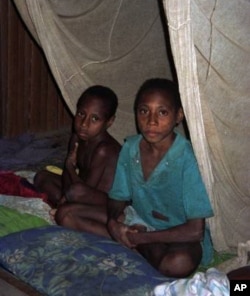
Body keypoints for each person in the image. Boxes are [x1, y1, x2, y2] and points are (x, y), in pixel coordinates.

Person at [106, 78, 214, 278]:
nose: (151, 121)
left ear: (178, 116)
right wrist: (113, 223)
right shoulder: (131, 148)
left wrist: (143, 238)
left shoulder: (186, 157)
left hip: (177, 235)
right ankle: (133, 240)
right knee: (69, 214)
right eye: (144, 111)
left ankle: (136, 244)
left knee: (177, 263)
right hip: (139, 220)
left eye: (162, 112)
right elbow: (117, 198)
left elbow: (195, 231)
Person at [34, 85, 121, 213]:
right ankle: (64, 205)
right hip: (79, 190)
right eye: (81, 114)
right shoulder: (77, 137)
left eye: (95, 119)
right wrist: (65, 195)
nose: (84, 124)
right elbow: (68, 179)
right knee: (41, 177)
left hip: (105, 202)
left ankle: (66, 208)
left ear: (109, 122)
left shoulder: (104, 150)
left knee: (75, 192)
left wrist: (69, 166)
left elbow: (85, 190)